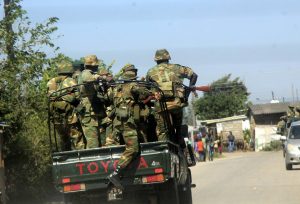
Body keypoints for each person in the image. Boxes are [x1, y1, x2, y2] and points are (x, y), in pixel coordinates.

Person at [108, 64, 152, 189]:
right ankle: (116, 173)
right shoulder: (133, 85)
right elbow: (145, 93)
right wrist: (145, 85)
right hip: (128, 123)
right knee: (133, 148)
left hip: (118, 122)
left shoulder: (117, 87)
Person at [146, 49, 198, 149]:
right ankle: (180, 142)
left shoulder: (150, 72)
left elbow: (148, 89)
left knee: (162, 131)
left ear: (156, 60)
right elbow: (194, 75)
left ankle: (164, 151)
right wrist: (188, 91)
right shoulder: (177, 68)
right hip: (177, 105)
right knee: (178, 127)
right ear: (168, 58)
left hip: (161, 107)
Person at [47, 61, 83, 150]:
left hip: (55, 114)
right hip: (69, 114)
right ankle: (81, 156)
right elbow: (77, 97)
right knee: (76, 136)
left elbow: (48, 96)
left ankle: (65, 155)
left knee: (63, 138)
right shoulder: (70, 81)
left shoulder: (51, 81)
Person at [77, 55, 106, 148]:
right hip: (88, 113)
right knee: (93, 143)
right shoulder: (86, 73)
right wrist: (99, 77)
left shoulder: (89, 73)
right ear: (93, 65)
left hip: (93, 111)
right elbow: (86, 79)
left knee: (98, 140)